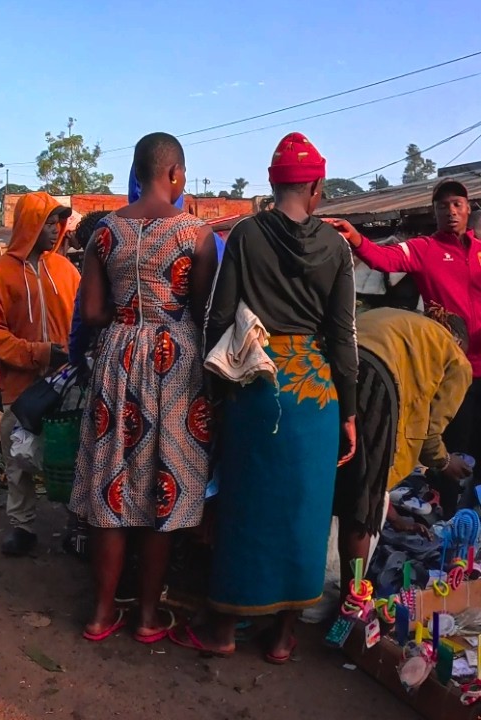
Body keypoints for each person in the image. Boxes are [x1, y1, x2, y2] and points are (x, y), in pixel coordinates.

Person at [193, 132, 358, 664]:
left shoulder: (244, 234)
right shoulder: (336, 247)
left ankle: (223, 629)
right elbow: (343, 337)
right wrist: (350, 413)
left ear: (271, 181)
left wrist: (216, 391)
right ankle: (284, 636)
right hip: (315, 394)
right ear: (315, 187)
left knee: (245, 504)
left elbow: (219, 316)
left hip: (256, 385)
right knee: (304, 511)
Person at [70, 133, 219, 643]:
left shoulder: (104, 232)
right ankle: (149, 617)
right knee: (165, 482)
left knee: (111, 481)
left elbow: (89, 313)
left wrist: (126, 319)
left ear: (136, 171)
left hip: (116, 357)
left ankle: (100, 613)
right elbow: (202, 312)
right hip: (175, 364)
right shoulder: (197, 234)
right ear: (175, 174)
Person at [327, 181, 481, 460]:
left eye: (457, 204)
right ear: (434, 212)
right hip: (449, 367)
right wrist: (356, 238)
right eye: (442, 206)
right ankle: (446, 501)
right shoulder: (424, 249)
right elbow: (383, 259)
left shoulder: (480, 251)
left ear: (468, 208)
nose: (451, 211)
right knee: (453, 446)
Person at [335, 307, 471, 591]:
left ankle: (291, 604)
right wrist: (446, 463)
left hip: (330, 368)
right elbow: (430, 434)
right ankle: (351, 606)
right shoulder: (455, 357)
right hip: (373, 384)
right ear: (458, 340)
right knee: (360, 507)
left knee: (328, 484)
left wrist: (396, 519)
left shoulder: (394, 318)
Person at [0, 192, 81, 556]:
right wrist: (38, 353)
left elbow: (81, 322)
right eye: (48, 222)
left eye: (59, 222)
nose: (56, 230)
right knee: (17, 459)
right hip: (20, 385)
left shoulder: (67, 272)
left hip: (65, 382)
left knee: (67, 453)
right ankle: (21, 525)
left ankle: (75, 523)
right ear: (29, 225)